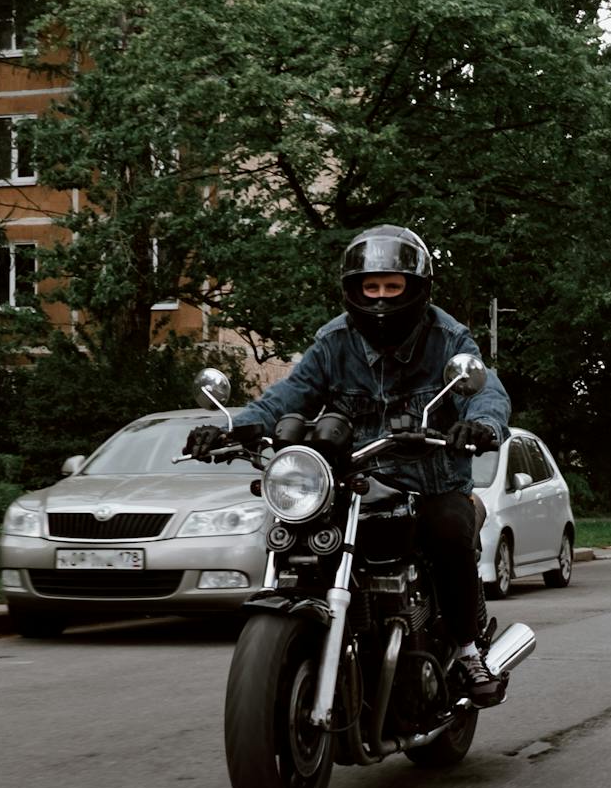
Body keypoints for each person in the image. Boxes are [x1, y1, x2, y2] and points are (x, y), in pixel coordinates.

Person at [187, 224, 512, 704]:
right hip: (354, 479)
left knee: (447, 530)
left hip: (431, 481)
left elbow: (485, 389)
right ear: (354, 289)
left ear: (416, 289)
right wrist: (237, 427)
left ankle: (465, 648)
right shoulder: (334, 341)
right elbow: (289, 393)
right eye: (371, 287)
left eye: (392, 286)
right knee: (304, 532)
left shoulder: (447, 337)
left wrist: (479, 426)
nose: (380, 299)